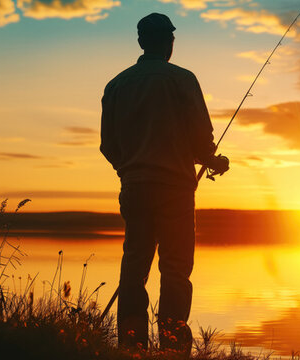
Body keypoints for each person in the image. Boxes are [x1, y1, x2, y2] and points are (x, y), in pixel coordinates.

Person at [99, 12, 229, 356]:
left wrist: (128, 170)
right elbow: (201, 140)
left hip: (135, 188)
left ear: (141, 42)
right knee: (175, 269)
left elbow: (107, 146)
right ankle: (172, 349)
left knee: (134, 265)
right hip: (175, 190)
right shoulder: (182, 80)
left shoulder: (116, 85)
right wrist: (215, 161)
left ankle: (130, 346)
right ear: (169, 42)